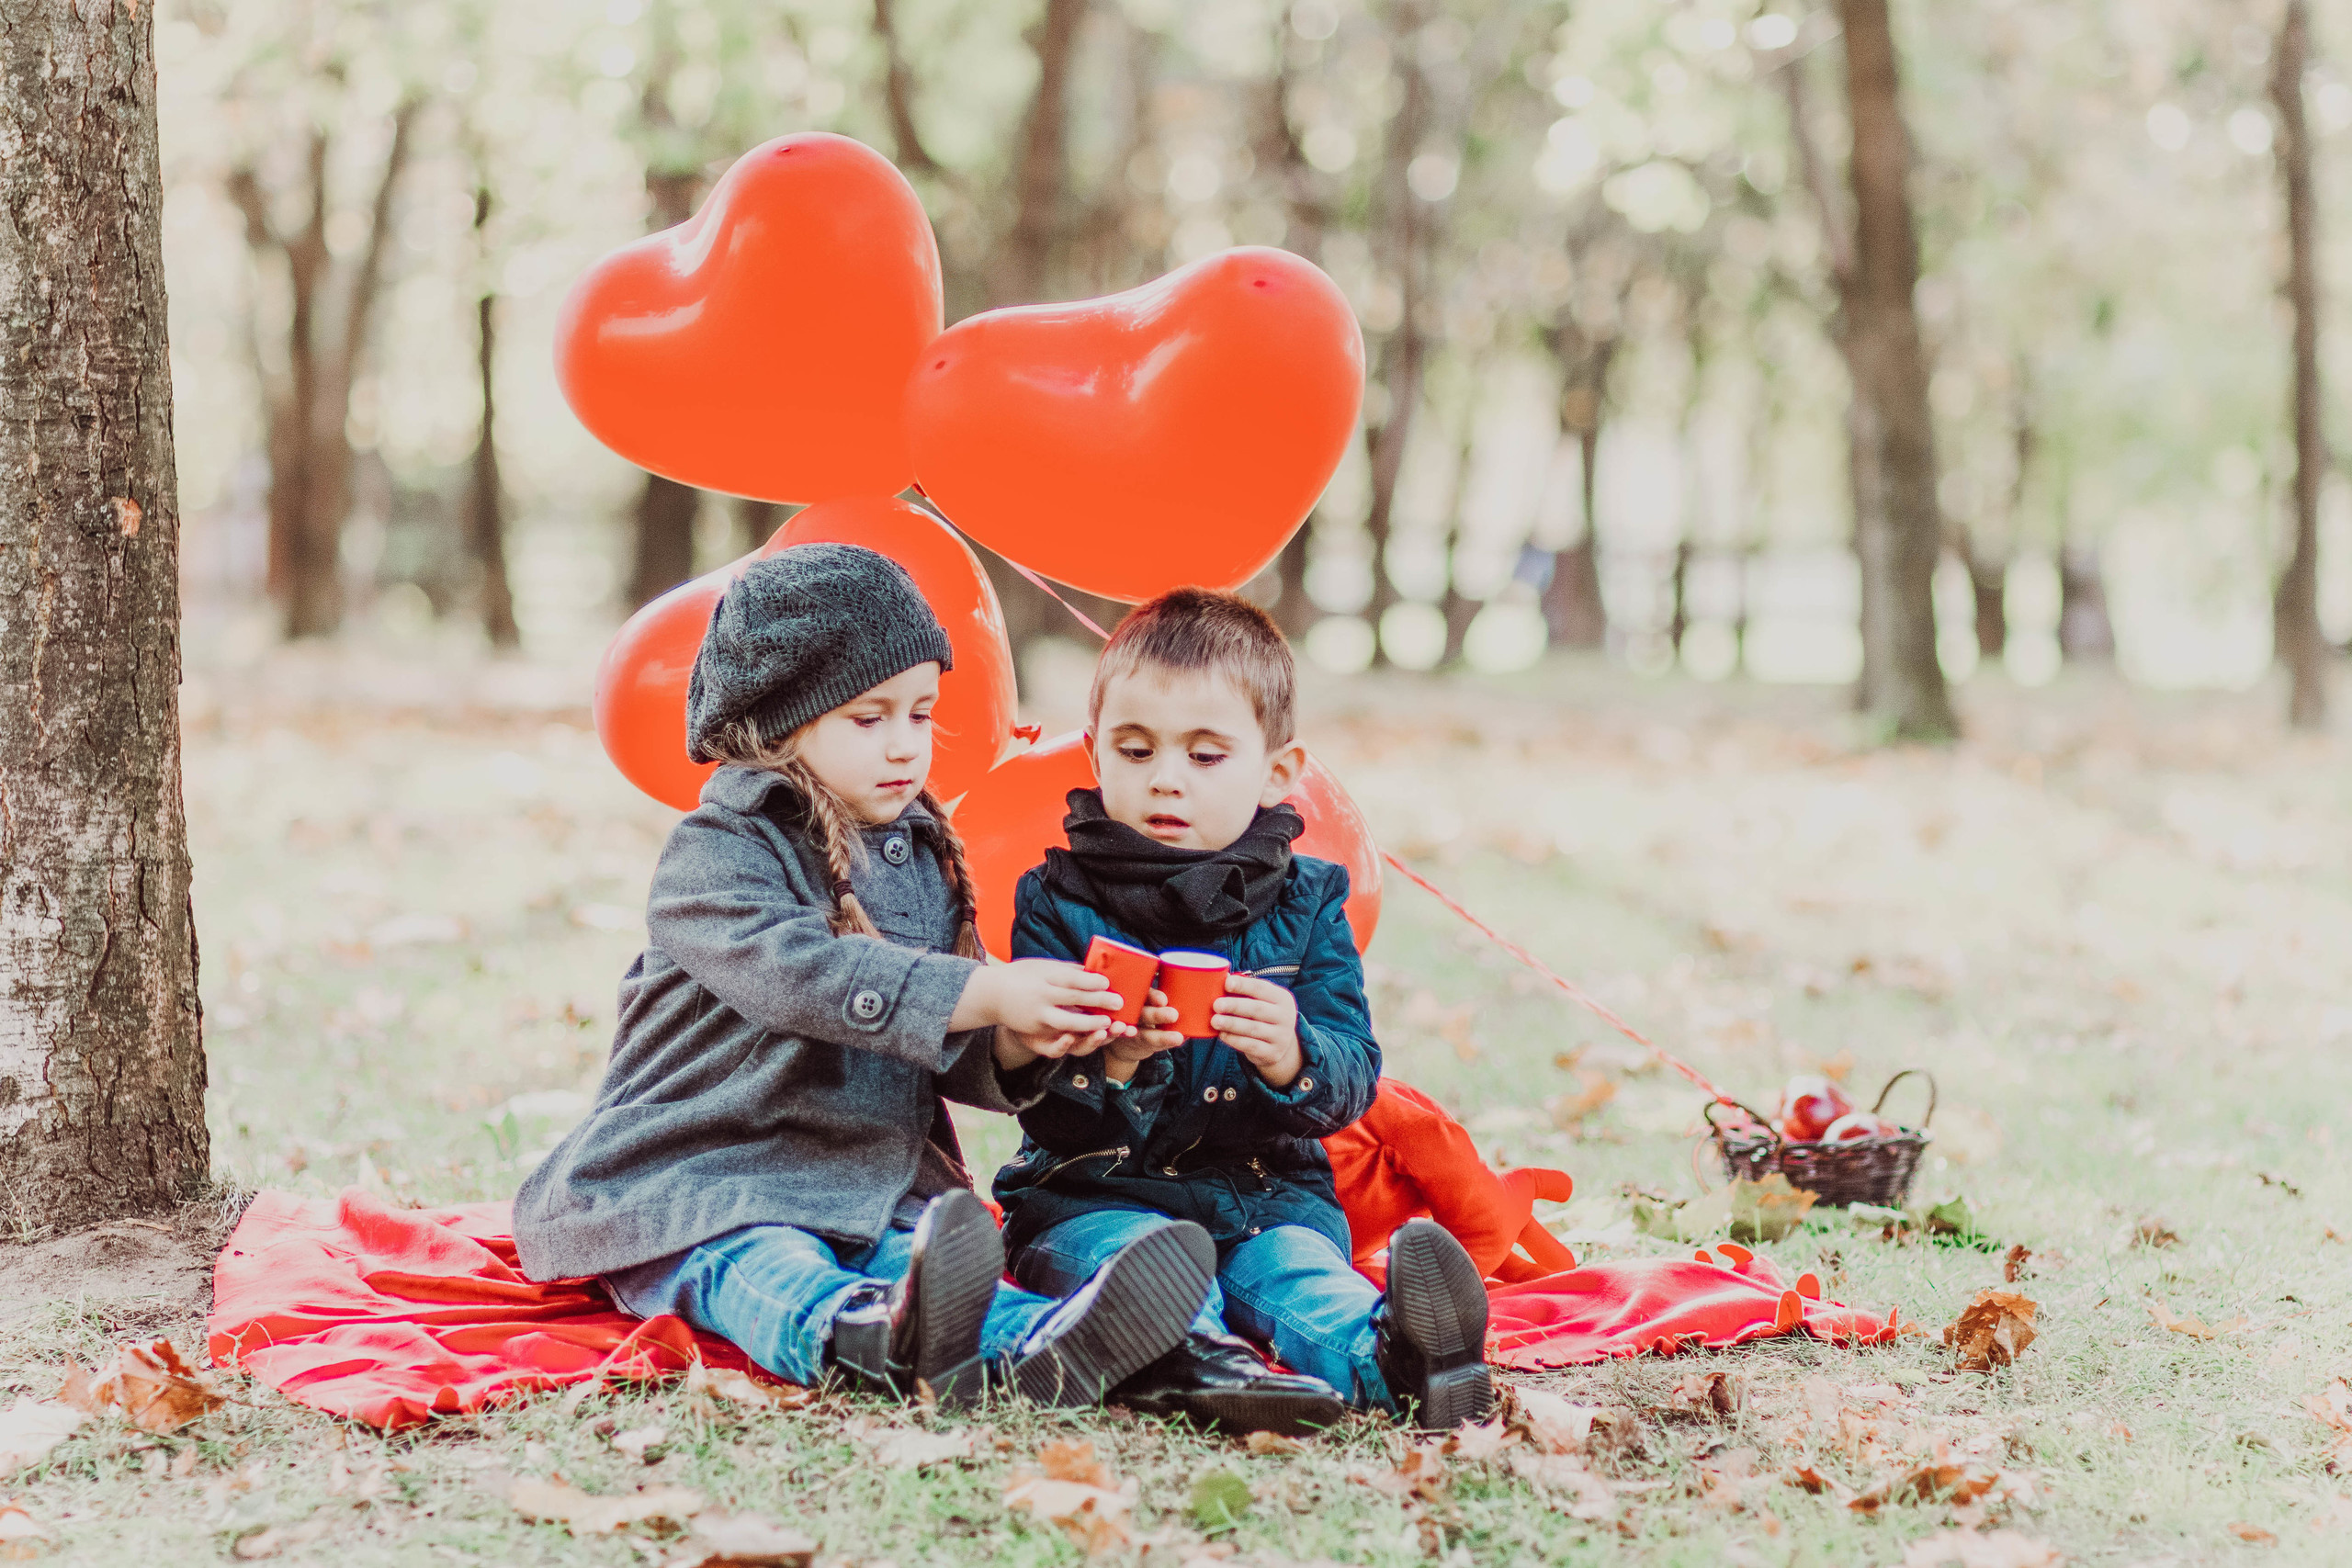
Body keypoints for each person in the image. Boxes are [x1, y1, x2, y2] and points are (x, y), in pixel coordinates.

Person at [515, 545, 1215, 1406]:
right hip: (703, 1168)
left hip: (864, 1173)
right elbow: (801, 974)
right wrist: (987, 989)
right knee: (765, 1258)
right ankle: (856, 1338)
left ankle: (1038, 1344)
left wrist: (1026, 1037)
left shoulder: (921, 853)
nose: (905, 746)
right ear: (779, 721)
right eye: (869, 717)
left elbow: (940, 1041)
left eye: (920, 714)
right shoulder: (721, 848)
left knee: (913, 1256)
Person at [993, 588, 1495, 1434]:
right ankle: (1197, 1362)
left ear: (1276, 771)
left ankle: (1405, 1358)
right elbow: (1034, 1103)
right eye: (1136, 748)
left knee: (1302, 1274)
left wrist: (1292, 1055)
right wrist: (1109, 1061)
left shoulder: (1305, 903)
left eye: (1205, 754)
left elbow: (1352, 1073)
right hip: (1091, 1197)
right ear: (1094, 753)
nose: (1165, 777)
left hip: (1264, 1196)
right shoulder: (1056, 900)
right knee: (1137, 1267)